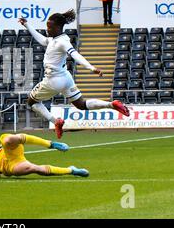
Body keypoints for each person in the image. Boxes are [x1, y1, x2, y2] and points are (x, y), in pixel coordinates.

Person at [18, 9, 130, 139]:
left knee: (32, 102)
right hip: (66, 77)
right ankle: (111, 104)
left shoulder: (62, 42)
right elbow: (43, 41)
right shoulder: (57, 38)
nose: (47, 29)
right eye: (47, 26)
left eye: (50, 27)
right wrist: (27, 25)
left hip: (53, 80)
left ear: (59, 27)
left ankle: (56, 122)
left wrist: (91, 67)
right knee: (81, 105)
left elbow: (75, 54)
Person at [0, 133, 89, 179]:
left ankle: (51, 144)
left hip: (7, 151)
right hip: (9, 166)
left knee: (8, 139)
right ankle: (71, 170)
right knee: (34, 169)